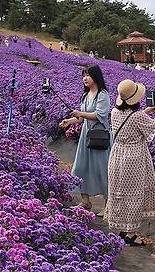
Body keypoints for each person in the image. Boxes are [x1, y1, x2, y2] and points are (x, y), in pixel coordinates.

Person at [104, 79, 155, 245]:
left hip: (117, 156)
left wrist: (148, 110)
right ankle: (131, 234)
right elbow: (153, 126)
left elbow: (130, 119)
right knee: (134, 193)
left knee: (120, 191)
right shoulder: (137, 116)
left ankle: (124, 228)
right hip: (134, 158)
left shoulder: (115, 112)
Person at [59, 65, 111, 212]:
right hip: (86, 136)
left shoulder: (103, 94)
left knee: (102, 170)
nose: (85, 78)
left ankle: (108, 205)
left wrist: (81, 113)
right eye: (83, 75)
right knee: (80, 167)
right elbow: (82, 118)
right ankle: (85, 201)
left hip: (99, 137)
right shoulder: (85, 95)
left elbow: (99, 115)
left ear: (96, 77)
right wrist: (69, 121)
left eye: (88, 75)